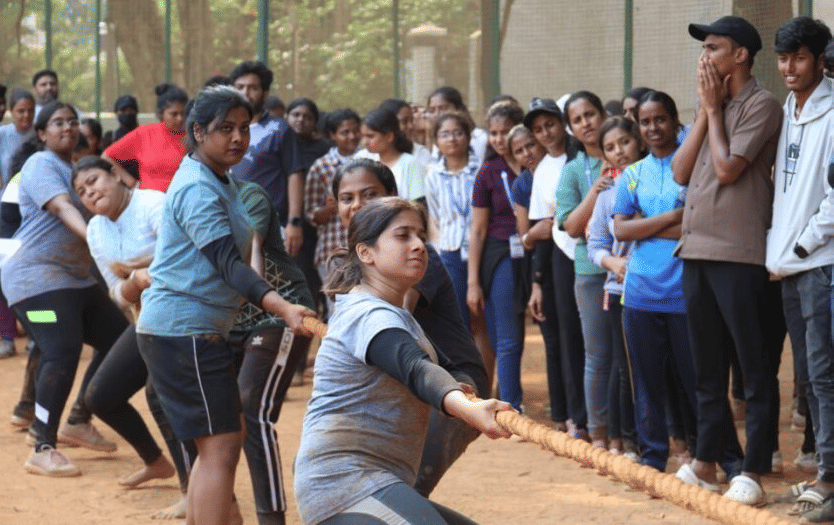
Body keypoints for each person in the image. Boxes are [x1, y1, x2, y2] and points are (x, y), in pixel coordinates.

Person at [135, 85, 315, 525]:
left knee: (214, 446)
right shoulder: (198, 188)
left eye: (244, 128)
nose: (237, 137)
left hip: (189, 331)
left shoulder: (221, 180)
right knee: (220, 447)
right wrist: (284, 307)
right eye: (225, 129)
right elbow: (228, 266)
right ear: (198, 132)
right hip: (184, 332)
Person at [294, 196, 512, 524]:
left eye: (421, 236)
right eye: (403, 236)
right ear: (365, 253)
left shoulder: (396, 315)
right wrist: (466, 408)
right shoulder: (367, 314)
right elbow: (417, 368)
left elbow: (438, 366)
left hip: (377, 481)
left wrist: (458, 387)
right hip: (343, 485)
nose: (418, 246)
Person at [672, 15, 782, 506]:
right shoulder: (711, 106)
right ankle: (705, 461)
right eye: (704, 49)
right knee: (707, 369)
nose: (705, 57)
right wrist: (704, 113)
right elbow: (680, 171)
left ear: (740, 55)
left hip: (738, 256)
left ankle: (755, 470)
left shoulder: (763, 105)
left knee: (754, 369)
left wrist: (714, 112)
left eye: (714, 48)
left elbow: (727, 168)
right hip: (694, 250)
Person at [329, 158, 489, 497]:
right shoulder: (352, 260)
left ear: (392, 198)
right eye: (347, 197)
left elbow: (395, 337)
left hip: (454, 382)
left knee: (406, 491)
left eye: (369, 195)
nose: (357, 205)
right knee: (386, 493)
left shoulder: (411, 255)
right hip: (405, 384)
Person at [2, 101, 129, 476]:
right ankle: (42, 444)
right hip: (31, 288)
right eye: (58, 122)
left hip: (75, 282)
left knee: (121, 341)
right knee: (62, 342)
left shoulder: (78, 171)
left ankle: (77, 418)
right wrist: (97, 239)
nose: (68, 127)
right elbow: (60, 208)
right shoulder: (40, 164)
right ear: (42, 133)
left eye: (73, 122)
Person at [71, 156, 189, 513]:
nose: (90, 192)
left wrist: (133, 277)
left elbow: (180, 261)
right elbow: (116, 292)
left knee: (159, 394)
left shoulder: (153, 204)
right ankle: (156, 462)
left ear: (117, 175)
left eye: (94, 180)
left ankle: (195, 491)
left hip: (188, 314)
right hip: (146, 320)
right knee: (100, 396)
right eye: (81, 191)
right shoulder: (95, 230)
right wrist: (137, 278)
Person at [765, 16, 834, 521]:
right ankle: (822, 474)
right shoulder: (790, 107)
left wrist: (805, 247)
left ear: (818, 60)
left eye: (800, 58)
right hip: (787, 264)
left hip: (819, 263)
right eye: (784, 58)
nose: (790, 67)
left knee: (825, 374)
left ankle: (829, 479)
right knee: (809, 378)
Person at [610, 95, 696, 472]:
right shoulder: (632, 173)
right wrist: (675, 216)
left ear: (675, 121)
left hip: (684, 290)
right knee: (646, 384)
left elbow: (697, 225)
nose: (653, 128)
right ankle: (652, 457)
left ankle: (705, 455)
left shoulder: (692, 167)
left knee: (694, 382)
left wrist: (649, 224)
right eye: (646, 122)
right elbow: (621, 228)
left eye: (661, 119)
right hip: (641, 292)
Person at [229, 179, 316, 525]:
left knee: (252, 412)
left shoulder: (249, 195)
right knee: (202, 408)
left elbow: (249, 255)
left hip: (279, 315)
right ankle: (213, 502)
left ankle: (271, 519)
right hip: (225, 322)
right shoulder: (187, 200)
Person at [522, 97, 587, 437]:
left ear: (562, 123)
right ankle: (575, 415)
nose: (546, 133)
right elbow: (543, 229)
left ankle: (600, 417)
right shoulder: (543, 169)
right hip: (561, 258)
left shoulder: (581, 157)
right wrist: (537, 282)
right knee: (567, 338)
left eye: (550, 124)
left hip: (592, 252)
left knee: (594, 339)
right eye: (538, 129)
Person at [556, 90, 613, 448]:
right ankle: (599, 433)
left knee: (632, 357)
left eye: (590, 114)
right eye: (577, 120)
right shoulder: (574, 171)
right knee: (598, 354)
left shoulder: (628, 154)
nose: (586, 123)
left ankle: (632, 435)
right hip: (591, 273)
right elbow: (572, 226)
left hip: (632, 269)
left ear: (602, 114)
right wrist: (596, 188)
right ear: (572, 129)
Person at [587, 116, 643, 459]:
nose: (619, 151)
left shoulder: (662, 181)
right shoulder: (607, 196)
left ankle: (674, 441)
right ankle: (628, 441)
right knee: (625, 369)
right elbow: (595, 245)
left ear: (636, 142)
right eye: (610, 147)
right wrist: (615, 263)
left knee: (660, 366)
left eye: (624, 142)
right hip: (619, 290)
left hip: (660, 288)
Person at [467, 101, 526, 411]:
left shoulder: (534, 167)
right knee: (507, 335)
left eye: (505, 132)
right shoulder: (488, 173)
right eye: (493, 133)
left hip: (535, 255)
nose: (499, 139)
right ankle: (510, 405)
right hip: (501, 254)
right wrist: (473, 281)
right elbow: (477, 230)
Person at [228, 60, 306, 257]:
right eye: (240, 87)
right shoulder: (221, 129)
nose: (245, 92)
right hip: (229, 223)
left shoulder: (279, 129)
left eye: (253, 87)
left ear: (264, 93)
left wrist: (294, 222)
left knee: (271, 283)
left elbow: (294, 174)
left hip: (271, 225)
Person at [424, 111, 481, 331]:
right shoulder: (433, 176)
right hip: (450, 252)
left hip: (482, 251)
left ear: (468, 137)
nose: (452, 139)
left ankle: (487, 367)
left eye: (458, 133)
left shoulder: (481, 171)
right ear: (437, 141)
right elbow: (436, 217)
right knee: (459, 320)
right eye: (445, 134)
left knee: (482, 319)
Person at [304, 108, 361, 312]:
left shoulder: (369, 160)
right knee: (338, 309)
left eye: (356, 131)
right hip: (333, 248)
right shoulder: (321, 167)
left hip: (366, 246)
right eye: (345, 132)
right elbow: (311, 215)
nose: (352, 136)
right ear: (332, 135)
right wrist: (329, 209)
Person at [101, 84, 188, 192]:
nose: (180, 119)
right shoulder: (144, 133)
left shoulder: (194, 135)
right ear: (161, 114)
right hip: (150, 202)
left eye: (183, 113)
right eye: (174, 114)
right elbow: (107, 157)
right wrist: (132, 183)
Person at [357, 108, 426, 202]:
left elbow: (419, 204)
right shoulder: (362, 159)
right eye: (363, 136)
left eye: (370, 136)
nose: (365, 142)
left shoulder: (410, 164)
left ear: (389, 136)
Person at [426, 86, 488, 163]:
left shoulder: (479, 137)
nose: (436, 114)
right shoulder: (439, 141)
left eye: (442, 108)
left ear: (458, 109)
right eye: (432, 110)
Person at [379, 98, 433, 167]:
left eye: (411, 120)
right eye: (404, 121)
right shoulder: (367, 155)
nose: (410, 126)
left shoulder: (420, 154)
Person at [0, 89, 35, 185]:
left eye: (30, 110)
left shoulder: (42, 134)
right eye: (21, 111)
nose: (26, 115)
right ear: (11, 111)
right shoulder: (2, 134)